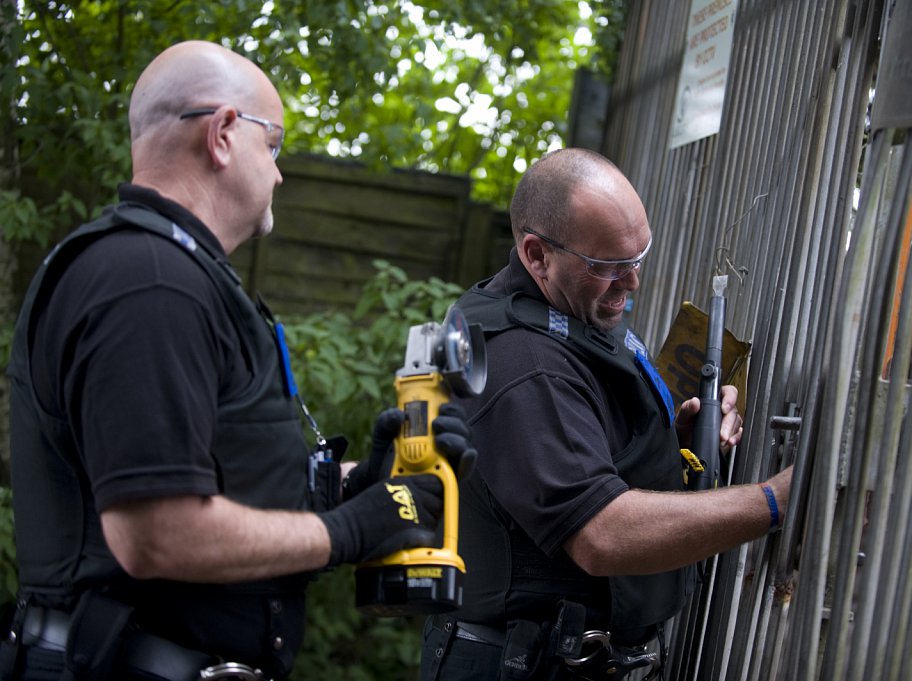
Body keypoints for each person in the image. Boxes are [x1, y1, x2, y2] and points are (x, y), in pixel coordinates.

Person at [1, 40, 473, 681]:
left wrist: (350, 488)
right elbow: (157, 531)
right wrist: (350, 532)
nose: (279, 172)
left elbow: (226, 480)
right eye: (272, 145)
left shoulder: (179, 279)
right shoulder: (147, 282)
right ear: (223, 133)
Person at [420, 148, 793, 681]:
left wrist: (673, 440)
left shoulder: (565, 310)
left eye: (639, 257)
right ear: (536, 255)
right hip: (520, 665)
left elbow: (573, 438)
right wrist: (777, 500)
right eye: (609, 266)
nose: (633, 282)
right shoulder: (522, 361)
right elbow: (601, 535)